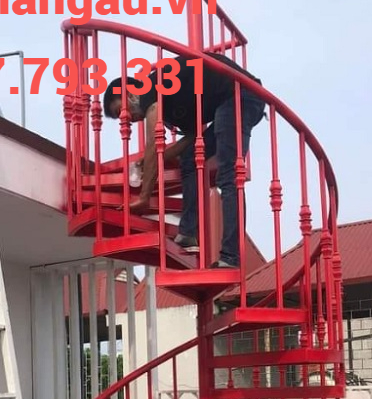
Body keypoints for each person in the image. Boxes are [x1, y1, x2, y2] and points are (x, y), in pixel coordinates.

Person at [103, 52, 265, 269]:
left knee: (228, 176)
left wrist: (144, 196)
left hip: (240, 95)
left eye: (120, 111)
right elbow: (191, 137)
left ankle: (231, 257)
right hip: (230, 101)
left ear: (130, 93)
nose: (127, 119)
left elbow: (154, 143)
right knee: (189, 159)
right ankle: (188, 233)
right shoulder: (171, 107)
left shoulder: (150, 87)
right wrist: (154, 159)